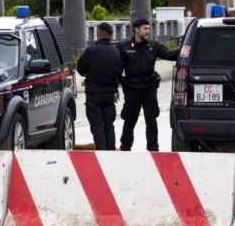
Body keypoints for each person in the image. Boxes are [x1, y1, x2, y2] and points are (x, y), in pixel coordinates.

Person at [118, 18, 179, 151]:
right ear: (136, 29)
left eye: (148, 29)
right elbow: (117, 69)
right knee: (129, 120)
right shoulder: (124, 47)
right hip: (132, 89)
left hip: (149, 89)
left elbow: (169, 55)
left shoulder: (153, 46)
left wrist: (185, 49)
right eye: (145, 28)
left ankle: (153, 149)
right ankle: (125, 148)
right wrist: (114, 89)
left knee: (151, 121)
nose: (147, 31)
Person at [77, 22, 122, 150]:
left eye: (97, 31)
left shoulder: (90, 51)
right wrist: (115, 89)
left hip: (93, 95)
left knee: (97, 126)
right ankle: (110, 151)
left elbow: (80, 69)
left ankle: (102, 153)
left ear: (100, 33)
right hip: (109, 95)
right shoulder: (115, 53)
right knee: (109, 125)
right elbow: (119, 73)